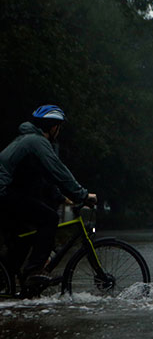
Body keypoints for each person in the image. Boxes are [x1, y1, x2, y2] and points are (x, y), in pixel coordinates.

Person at [0, 105, 97, 295]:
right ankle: (34, 271)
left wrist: (62, 197)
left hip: (7, 194)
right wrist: (82, 195)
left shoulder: (28, 140)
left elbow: (43, 177)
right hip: (3, 193)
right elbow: (58, 171)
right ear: (53, 127)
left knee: (24, 237)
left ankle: (10, 284)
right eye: (58, 128)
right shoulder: (36, 141)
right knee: (49, 218)